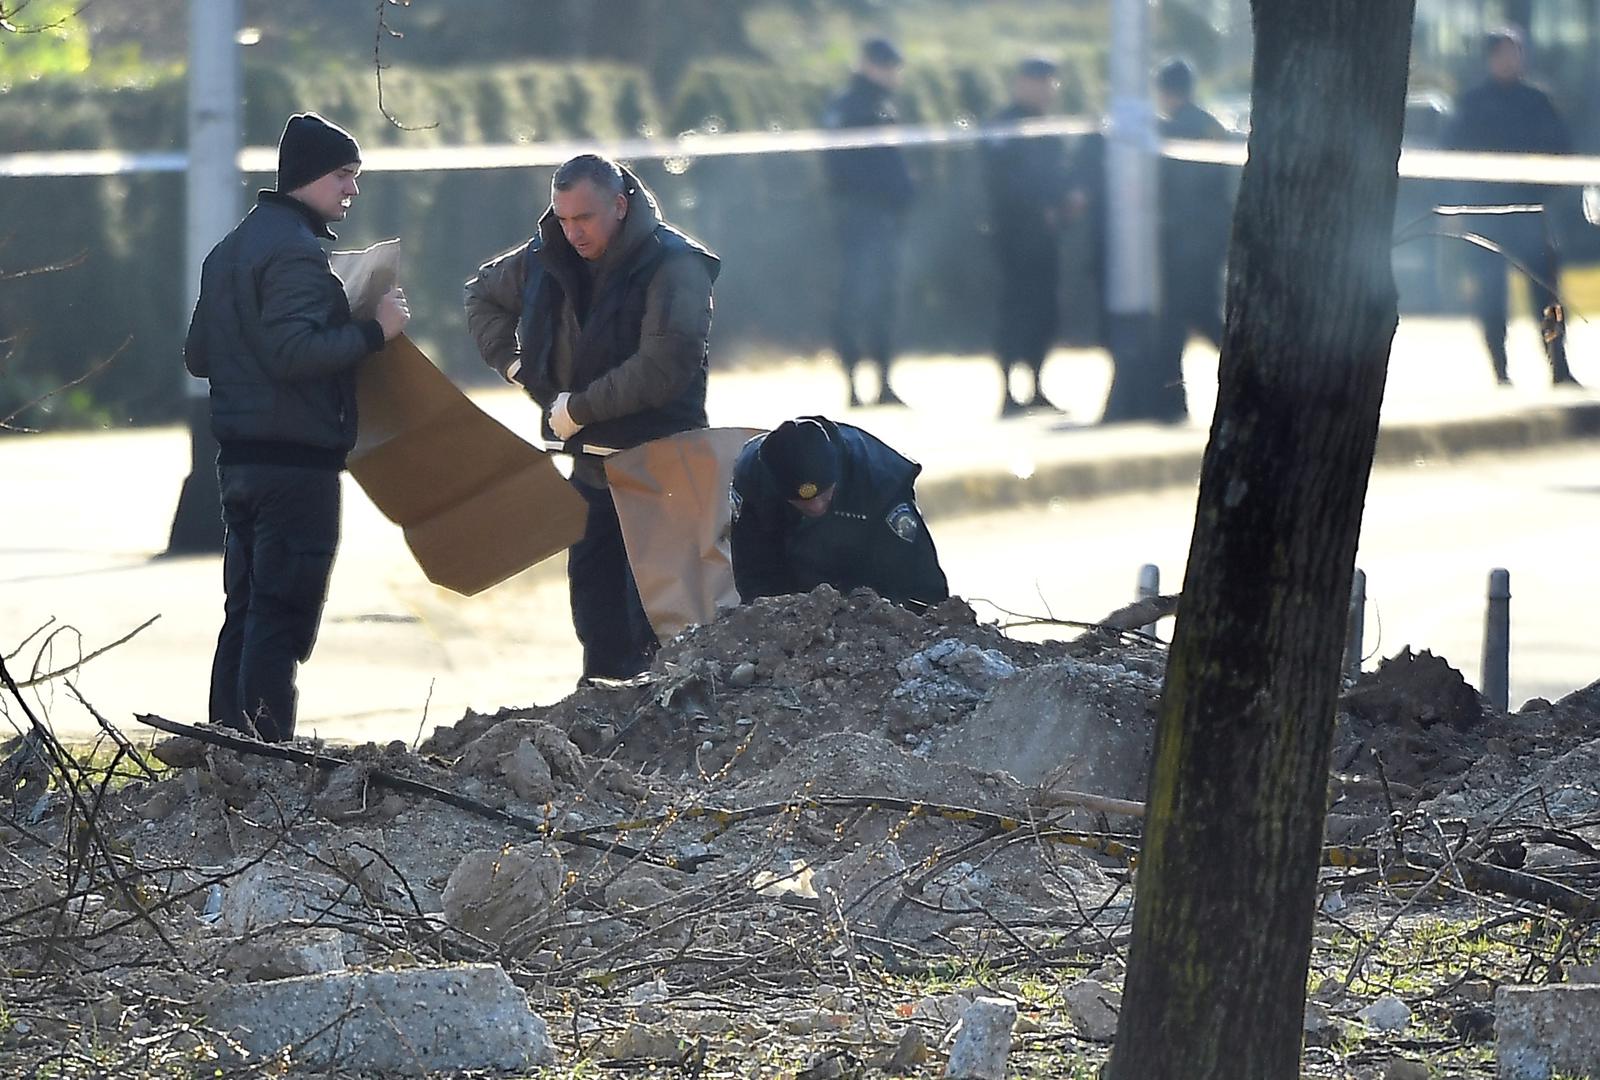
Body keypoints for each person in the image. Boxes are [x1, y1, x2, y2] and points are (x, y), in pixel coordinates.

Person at [184, 112, 411, 742]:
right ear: (309, 176)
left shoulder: (230, 250)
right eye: (344, 175)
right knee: (281, 615)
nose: (351, 190)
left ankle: (225, 742)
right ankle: (266, 753)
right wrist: (374, 330)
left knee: (245, 610)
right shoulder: (297, 254)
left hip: (240, 461)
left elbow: (199, 355)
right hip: (296, 466)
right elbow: (294, 353)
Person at [464, 154, 718, 682]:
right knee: (596, 626)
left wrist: (575, 409)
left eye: (585, 218)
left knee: (655, 629)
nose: (573, 232)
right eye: (562, 218)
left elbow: (664, 367)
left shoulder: (675, 265)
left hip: (660, 474)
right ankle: (598, 742)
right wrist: (517, 367)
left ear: (620, 206)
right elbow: (481, 295)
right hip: (589, 476)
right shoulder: (545, 255)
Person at [1443, 27, 1579, 386]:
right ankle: (1500, 372)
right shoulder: (1471, 104)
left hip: (1533, 214)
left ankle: (1558, 367)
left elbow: (1562, 151)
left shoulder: (1538, 101)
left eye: (1515, 53)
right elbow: (1452, 158)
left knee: (1547, 295)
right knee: (1490, 296)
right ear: (1490, 58)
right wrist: (1458, 208)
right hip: (1486, 215)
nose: (1511, 60)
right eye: (1504, 53)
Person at [729, 416, 948, 608]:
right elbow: (753, 572)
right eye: (801, 502)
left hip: (870, 581)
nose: (816, 506)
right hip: (793, 578)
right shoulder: (752, 481)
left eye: (824, 495)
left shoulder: (879, 481)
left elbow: (921, 580)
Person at [822, 37, 915, 408]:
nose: (893, 73)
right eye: (887, 65)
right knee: (855, 298)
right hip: (859, 218)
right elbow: (841, 169)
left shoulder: (881, 106)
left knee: (884, 299)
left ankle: (883, 382)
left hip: (884, 218)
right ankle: (854, 384)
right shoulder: (849, 107)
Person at [982, 57, 1072, 415]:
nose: (1047, 89)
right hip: (1012, 235)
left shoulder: (1049, 129)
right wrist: (1039, 206)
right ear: (1020, 83)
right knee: (1014, 310)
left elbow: (1058, 174)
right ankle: (1007, 392)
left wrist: (1067, 200)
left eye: (1051, 82)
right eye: (1039, 82)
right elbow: (1002, 182)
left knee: (1046, 311)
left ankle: (1035, 385)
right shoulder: (1002, 127)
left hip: (1046, 237)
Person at [1151, 57, 1232, 422]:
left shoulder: (1176, 129)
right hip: (1208, 237)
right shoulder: (1208, 124)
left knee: (1180, 320)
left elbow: (1179, 188)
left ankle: (1173, 401)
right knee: (1200, 315)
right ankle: (1175, 398)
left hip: (1185, 240)